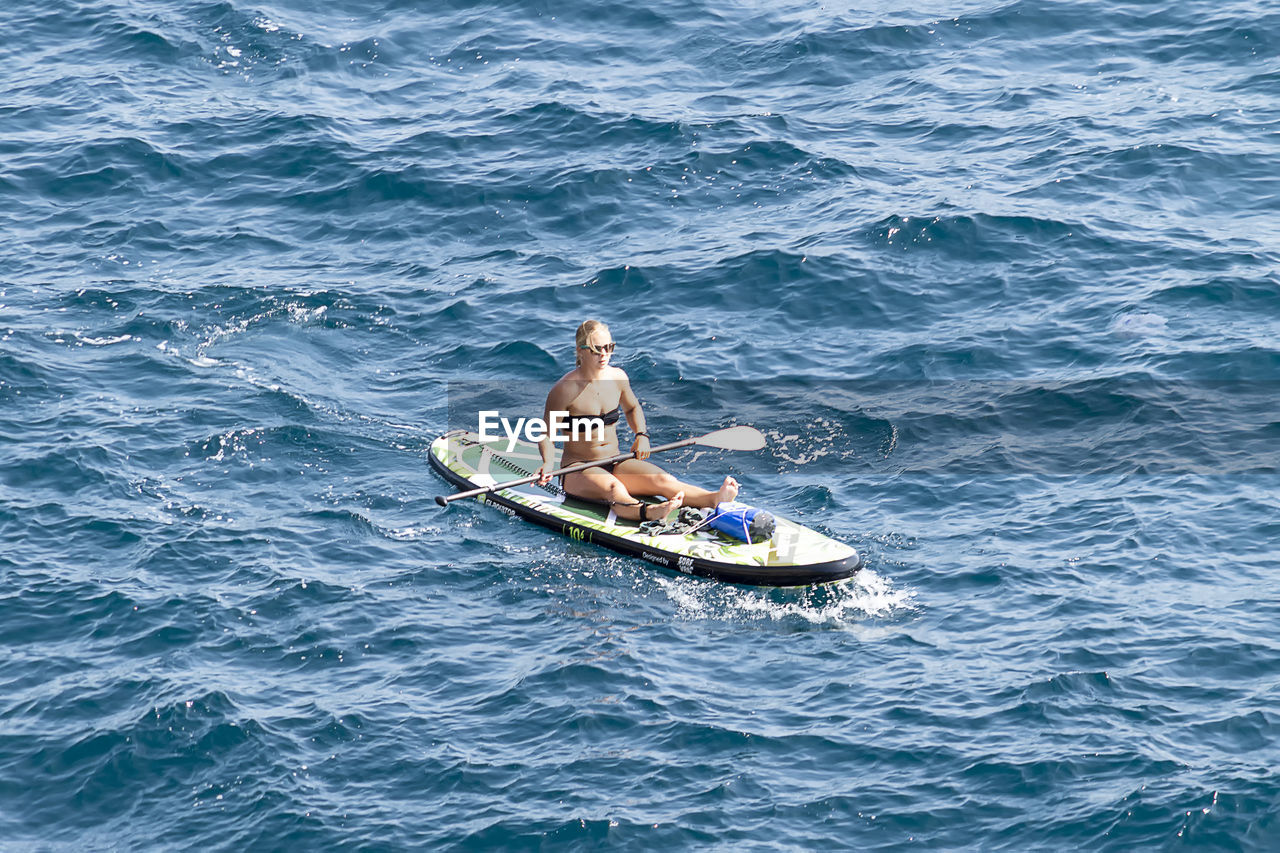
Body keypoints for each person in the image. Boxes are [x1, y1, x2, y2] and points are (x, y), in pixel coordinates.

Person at [535, 319, 739, 521]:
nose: (604, 354)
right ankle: (649, 512)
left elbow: (632, 408)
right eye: (597, 349)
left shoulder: (617, 378)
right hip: (578, 469)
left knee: (663, 480)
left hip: (614, 461)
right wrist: (547, 463)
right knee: (615, 488)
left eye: (609, 347)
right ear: (580, 350)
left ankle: (715, 499)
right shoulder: (564, 390)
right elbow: (546, 434)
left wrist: (641, 434)